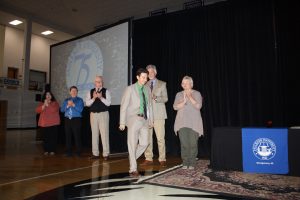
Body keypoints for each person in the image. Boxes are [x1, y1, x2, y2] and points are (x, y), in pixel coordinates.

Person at [119, 68, 153, 176]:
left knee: (145, 143)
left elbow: (149, 106)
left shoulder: (147, 89)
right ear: (137, 77)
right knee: (132, 144)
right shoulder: (130, 89)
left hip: (144, 119)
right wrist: (122, 122)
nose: (145, 79)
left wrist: (151, 120)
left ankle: (132, 156)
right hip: (133, 118)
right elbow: (123, 106)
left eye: (146, 77)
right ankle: (133, 168)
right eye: (143, 77)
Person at [173, 76, 203, 170]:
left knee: (193, 143)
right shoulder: (179, 94)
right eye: (183, 83)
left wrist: (190, 97)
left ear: (191, 84)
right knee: (184, 144)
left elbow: (198, 106)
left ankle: (192, 162)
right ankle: (185, 162)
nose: (185, 85)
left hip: (194, 122)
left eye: (187, 83)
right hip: (182, 122)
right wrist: (183, 101)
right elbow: (175, 107)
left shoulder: (197, 93)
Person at [141, 64, 168, 167]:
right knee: (147, 138)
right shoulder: (143, 85)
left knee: (160, 138)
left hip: (159, 115)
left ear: (155, 72)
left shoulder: (162, 84)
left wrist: (156, 97)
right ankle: (148, 158)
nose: (150, 73)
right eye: (148, 72)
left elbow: (165, 98)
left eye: (152, 71)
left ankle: (162, 158)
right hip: (147, 116)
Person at [85, 76, 111, 160]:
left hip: (103, 114)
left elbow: (108, 103)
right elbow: (87, 104)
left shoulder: (106, 91)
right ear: (94, 83)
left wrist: (101, 97)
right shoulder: (90, 91)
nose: (98, 83)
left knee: (104, 134)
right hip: (93, 115)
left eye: (100, 82)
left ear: (102, 83)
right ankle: (95, 154)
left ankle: (106, 154)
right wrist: (94, 98)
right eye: (97, 81)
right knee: (94, 134)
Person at [60, 86, 84, 157]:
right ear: (70, 92)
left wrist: (73, 105)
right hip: (68, 119)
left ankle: (78, 152)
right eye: (72, 91)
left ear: (77, 92)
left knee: (77, 136)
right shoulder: (66, 100)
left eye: (75, 91)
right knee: (68, 136)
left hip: (76, 119)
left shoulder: (80, 100)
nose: (74, 92)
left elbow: (80, 110)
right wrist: (67, 105)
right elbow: (62, 110)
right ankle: (68, 152)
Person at [35, 91, 60, 155]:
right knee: (45, 138)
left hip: (53, 123)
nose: (48, 96)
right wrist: (44, 105)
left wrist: (48, 105)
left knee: (53, 138)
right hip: (44, 123)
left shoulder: (55, 103)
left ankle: (52, 150)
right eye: (46, 94)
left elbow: (53, 110)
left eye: (49, 94)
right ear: (45, 96)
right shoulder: (41, 103)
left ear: (51, 96)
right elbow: (37, 111)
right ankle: (46, 150)